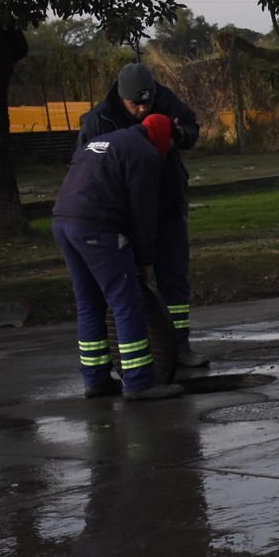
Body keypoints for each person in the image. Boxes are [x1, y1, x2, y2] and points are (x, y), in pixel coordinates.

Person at [79, 63, 208, 366]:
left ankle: (179, 349)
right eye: (135, 103)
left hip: (167, 205)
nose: (142, 108)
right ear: (120, 96)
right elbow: (85, 167)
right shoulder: (99, 120)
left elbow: (191, 129)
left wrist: (177, 133)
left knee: (174, 279)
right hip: (122, 215)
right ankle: (130, 358)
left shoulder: (166, 99)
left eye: (147, 102)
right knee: (123, 288)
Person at [54, 114, 184, 401]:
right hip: (96, 226)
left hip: (63, 222)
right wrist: (144, 260)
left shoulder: (102, 141)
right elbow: (143, 213)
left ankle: (96, 379)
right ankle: (139, 382)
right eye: (170, 146)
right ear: (163, 137)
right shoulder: (145, 153)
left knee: (89, 302)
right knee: (126, 300)